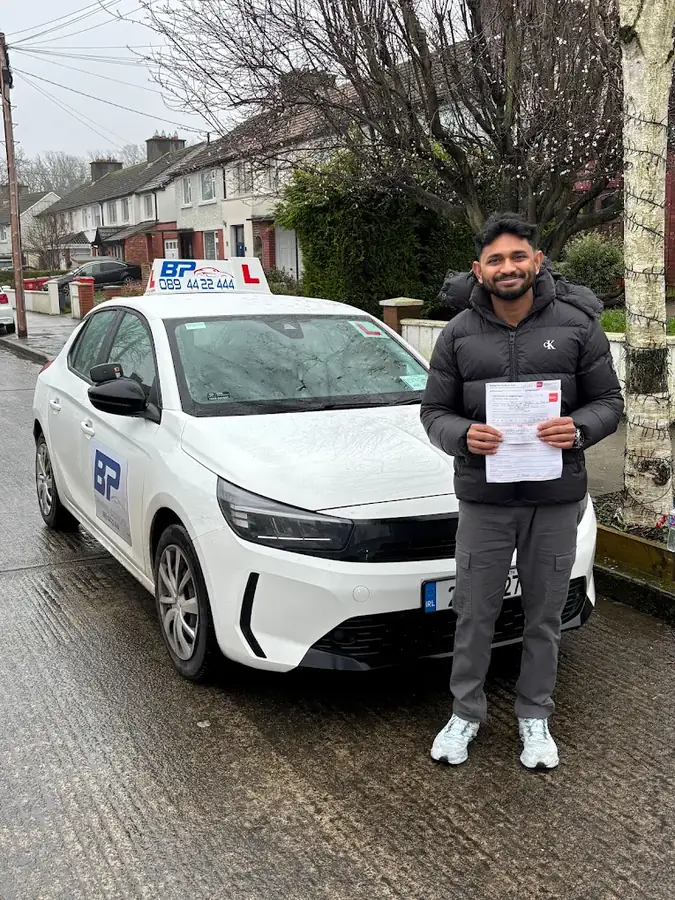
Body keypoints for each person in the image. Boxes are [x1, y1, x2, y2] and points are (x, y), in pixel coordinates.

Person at [420, 213, 623, 770]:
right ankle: (465, 712)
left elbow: (609, 402)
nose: (507, 268)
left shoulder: (578, 326)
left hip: (555, 499)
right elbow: (433, 412)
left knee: (544, 616)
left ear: (536, 261)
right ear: (478, 270)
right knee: (474, 614)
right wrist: (463, 435)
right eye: (495, 260)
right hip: (485, 503)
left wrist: (578, 429)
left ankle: (535, 716)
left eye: (517, 257)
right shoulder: (457, 333)